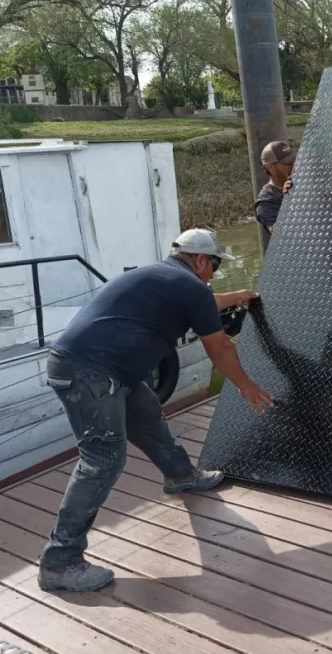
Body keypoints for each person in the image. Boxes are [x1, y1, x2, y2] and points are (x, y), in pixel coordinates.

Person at [37, 228, 274, 593]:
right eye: (215, 265)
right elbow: (220, 347)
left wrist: (239, 296)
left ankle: (181, 476)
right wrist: (246, 385)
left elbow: (205, 304)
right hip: (90, 374)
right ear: (200, 260)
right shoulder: (189, 286)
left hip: (107, 370)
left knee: (148, 417)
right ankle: (60, 561)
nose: (214, 273)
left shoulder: (165, 277)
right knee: (102, 460)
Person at [254, 140, 295, 235]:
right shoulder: (266, 202)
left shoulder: (299, 183)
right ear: (271, 167)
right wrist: (288, 200)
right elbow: (278, 234)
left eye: (293, 161)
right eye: (287, 163)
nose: (293, 166)